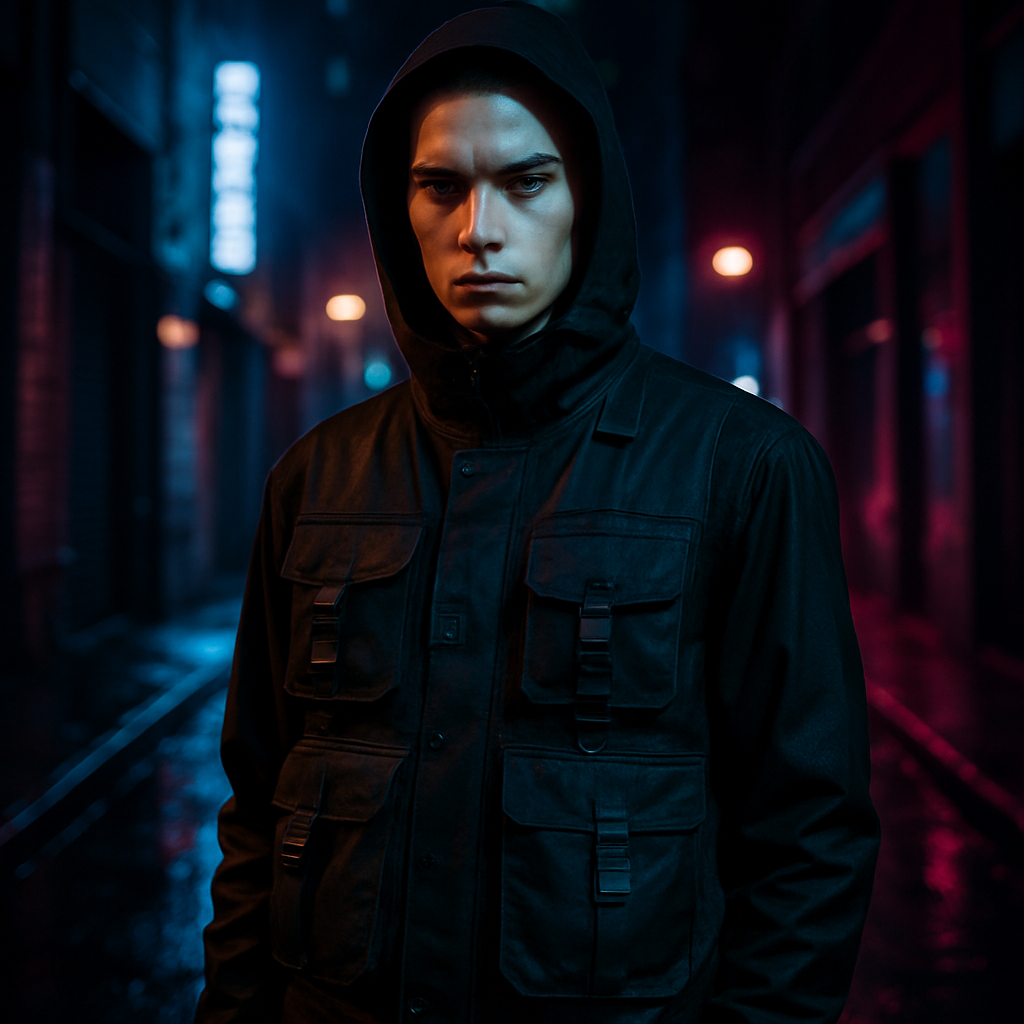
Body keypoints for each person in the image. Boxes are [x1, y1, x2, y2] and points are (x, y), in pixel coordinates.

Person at [196, 4, 880, 1022]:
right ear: (400, 206)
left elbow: (806, 836)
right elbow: (258, 807)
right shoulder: (318, 477)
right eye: (439, 187)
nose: (479, 230)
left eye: (525, 181)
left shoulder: (744, 468)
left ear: (586, 196)